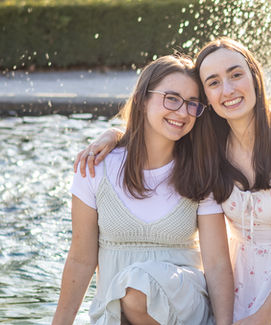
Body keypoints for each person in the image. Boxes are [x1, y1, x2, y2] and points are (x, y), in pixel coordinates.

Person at [77, 38, 271, 324]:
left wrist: (263, 317)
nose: (228, 90)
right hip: (246, 284)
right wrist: (116, 135)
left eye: (236, 75)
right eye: (214, 82)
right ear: (205, 98)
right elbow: (157, 131)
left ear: (254, 78)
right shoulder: (211, 153)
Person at [53, 55, 234, 325]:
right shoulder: (96, 167)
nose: (182, 112)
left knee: (137, 290)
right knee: (130, 293)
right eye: (171, 98)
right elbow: (80, 258)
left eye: (192, 104)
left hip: (184, 305)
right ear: (141, 99)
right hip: (114, 313)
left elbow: (217, 263)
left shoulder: (201, 172)